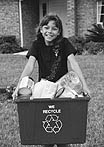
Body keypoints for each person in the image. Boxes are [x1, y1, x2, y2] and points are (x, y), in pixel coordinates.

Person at [12, 13, 90, 147]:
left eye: (54, 28)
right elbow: (30, 66)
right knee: (45, 137)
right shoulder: (37, 45)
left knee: (63, 136)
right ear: (41, 29)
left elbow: (73, 63)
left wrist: (85, 85)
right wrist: (19, 86)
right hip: (44, 91)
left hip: (63, 90)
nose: (50, 31)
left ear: (59, 31)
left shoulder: (64, 44)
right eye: (46, 27)